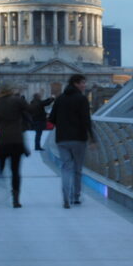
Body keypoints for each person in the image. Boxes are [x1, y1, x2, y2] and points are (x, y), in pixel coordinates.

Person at [48, 74, 92, 209]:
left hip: (62, 139)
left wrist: (63, 124)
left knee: (66, 169)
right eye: (83, 83)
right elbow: (86, 120)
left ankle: (66, 197)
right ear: (76, 83)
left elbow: (51, 118)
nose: (85, 85)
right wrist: (92, 137)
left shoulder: (60, 99)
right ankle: (76, 196)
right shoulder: (82, 99)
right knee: (77, 169)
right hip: (79, 139)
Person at [0, 84, 31, 208]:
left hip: (2, 141)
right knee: (15, 171)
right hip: (16, 141)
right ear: (11, 91)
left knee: (0, 167)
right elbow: (30, 110)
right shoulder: (17, 101)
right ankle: (16, 199)